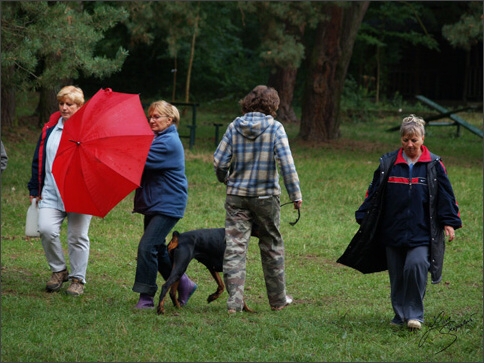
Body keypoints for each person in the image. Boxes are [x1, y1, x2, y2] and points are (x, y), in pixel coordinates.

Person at [353, 114, 462, 330]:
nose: (410, 144)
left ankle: (415, 315)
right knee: (397, 274)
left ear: (422, 138)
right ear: (401, 140)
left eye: (414, 140)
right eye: (405, 140)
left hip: (422, 230)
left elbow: (446, 196)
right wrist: (365, 217)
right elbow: (374, 193)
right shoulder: (389, 163)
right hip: (392, 230)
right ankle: (400, 315)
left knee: (417, 265)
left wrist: (449, 222)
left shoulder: (434, 165)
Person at [213, 85, 302, 313]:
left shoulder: (234, 126)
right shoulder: (275, 128)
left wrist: (226, 179)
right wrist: (295, 195)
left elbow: (219, 161)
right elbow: (286, 164)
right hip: (266, 198)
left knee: (235, 247)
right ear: (273, 105)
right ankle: (278, 301)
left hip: (237, 196)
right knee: (271, 245)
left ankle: (234, 303)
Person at [132, 100, 197, 309]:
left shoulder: (167, 142)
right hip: (155, 201)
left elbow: (139, 159)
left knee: (147, 247)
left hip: (169, 203)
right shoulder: (157, 138)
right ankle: (184, 283)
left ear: (170, 120)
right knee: (158, 248)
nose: (151, 120)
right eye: (150, 116)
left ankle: (146, 297)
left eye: (156, 116)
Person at [28, 85, 92, 296]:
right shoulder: (51, 128)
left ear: (79, 106)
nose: (64, 108)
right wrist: (35, 187)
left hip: (79, 192)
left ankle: (77, 279)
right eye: (61, 103)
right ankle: (58, 270)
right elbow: (39, 158)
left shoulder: (88, 128)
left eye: (69, 104)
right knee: (46, 229)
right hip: (51, 190)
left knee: (77, 236)